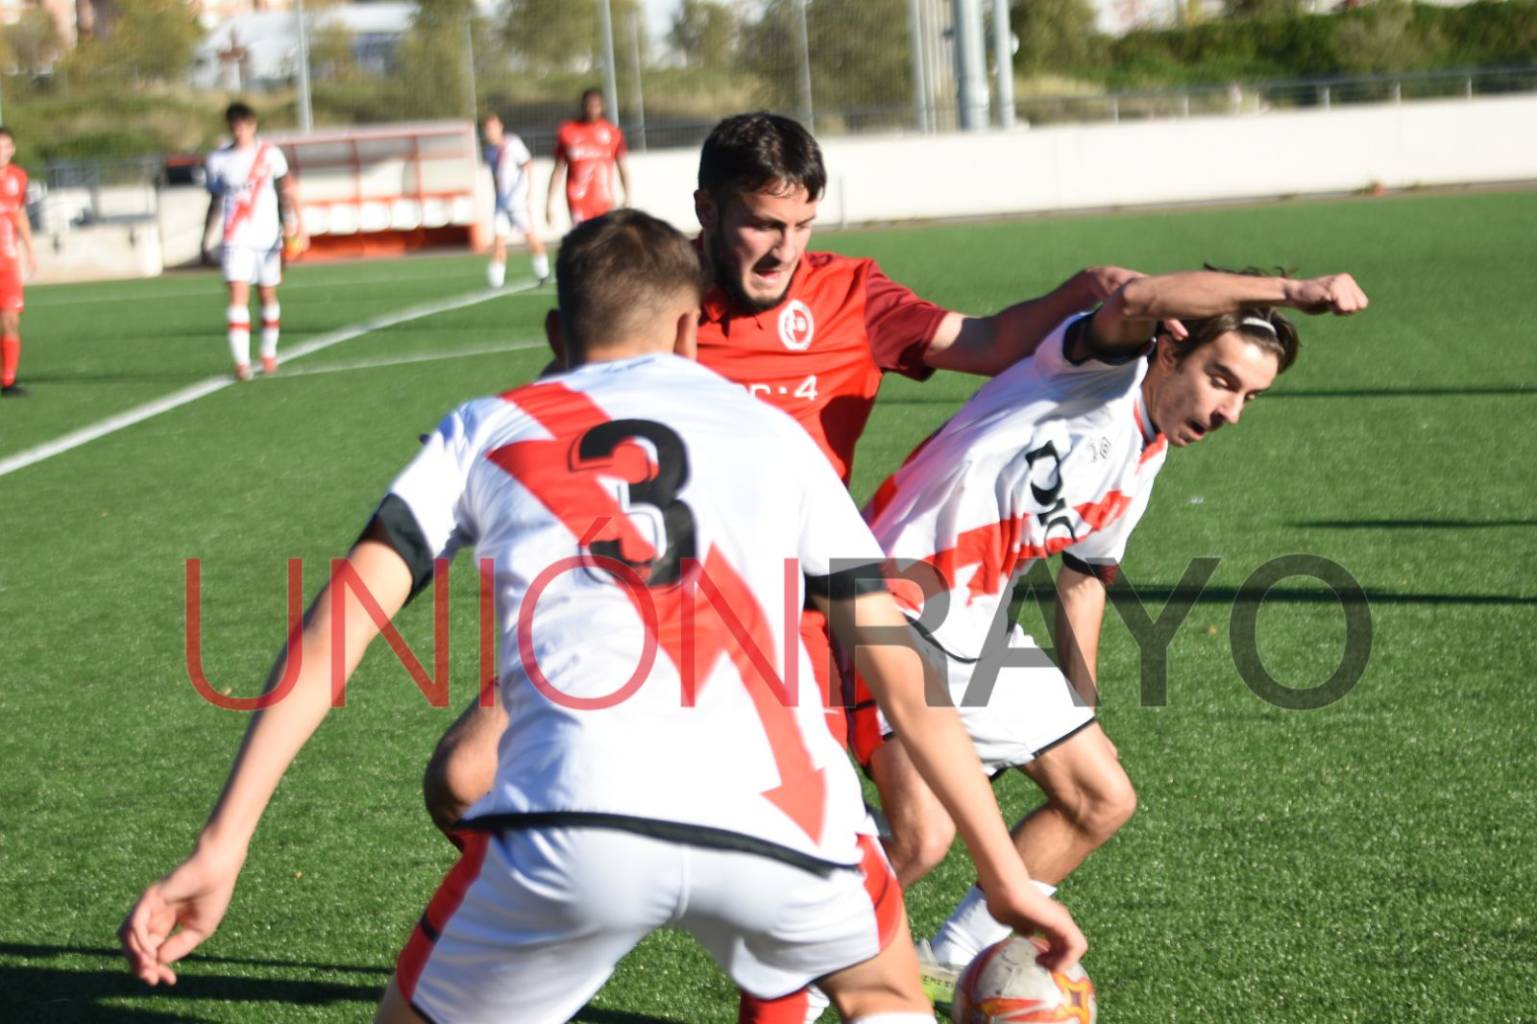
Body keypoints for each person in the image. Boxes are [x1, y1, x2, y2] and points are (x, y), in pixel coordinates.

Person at [118, 209, 1086, 1024]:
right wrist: (1001, 872)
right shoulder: (776, 443)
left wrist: (223, 840)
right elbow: (901, 676)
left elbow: (338, 633)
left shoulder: (487, 426)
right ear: (688, 335)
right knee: (879, 987)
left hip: (572, 813)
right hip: (785, 816)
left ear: (554, 333)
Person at [428, 110, 1135, 1024]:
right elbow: (568, 413)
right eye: (762, 223)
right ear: (707, 210)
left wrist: (1080, 292)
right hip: (636, 603)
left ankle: (767, 970)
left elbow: (990, 344)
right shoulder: (656, 299)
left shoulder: (849, 296)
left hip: (798, 613)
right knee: (459, 779)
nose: (782, 250)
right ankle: (576, 917)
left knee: (902, 834)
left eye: (800, 225)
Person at [849, 267, 1368, 1000]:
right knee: (919, 839)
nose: (1230, 412)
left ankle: (952, 952)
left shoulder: (1144, 455)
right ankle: (796, 964)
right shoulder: (1095, 371)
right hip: (888, 602)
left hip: (974, 623)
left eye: (1249, 396)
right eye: (1220, 380)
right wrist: (1292, 291)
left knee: (1099, 793)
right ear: (1169, 350)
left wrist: (1077, 709)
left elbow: (1085, 575)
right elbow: (1132, 302)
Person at [203, 102, 304, 381]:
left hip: (268, 236)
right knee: (237, 295)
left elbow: (289, 188)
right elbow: (214, 199)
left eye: (244, 124)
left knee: (267, 294)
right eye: (234, 125)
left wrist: (299, 227)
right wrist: (205, 237)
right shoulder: (217, 160)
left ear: (253, 124)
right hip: (235, 237)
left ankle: (268, 352)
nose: (240, 130)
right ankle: (241, 363)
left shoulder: (270, 154)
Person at [481, 113, 549, 288]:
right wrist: (497, 198)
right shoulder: (489, 150)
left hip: (516, 202)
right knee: (498, 241)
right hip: (501, 204)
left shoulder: (512, 143)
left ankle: (543, 272)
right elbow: (495, 177)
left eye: (493, 127)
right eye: (487, 129)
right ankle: (496, 283)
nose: (490, 132)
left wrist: (527, 191)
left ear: (500, 127)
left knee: (529, 237)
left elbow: (527, 164)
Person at [546, 88, 630, 229]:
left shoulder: (612, 132)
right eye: (589, 105)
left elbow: (623, 167)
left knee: (606, 244)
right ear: (583, 106)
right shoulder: (568, 131)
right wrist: (549, 203)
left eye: (596, 105)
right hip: (578, 200)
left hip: (604, 201)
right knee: (584, 244)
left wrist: (627, 195)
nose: (592, 109)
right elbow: (558, 170)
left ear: (602, 106)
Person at [0, 126, 37, 397]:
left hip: (9, 262)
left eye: (6, 147)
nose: (2, 152)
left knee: (11, 321)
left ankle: (9, 381)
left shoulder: (19, 178)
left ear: (12, 149)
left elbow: (20, 213)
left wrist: (31, 250)